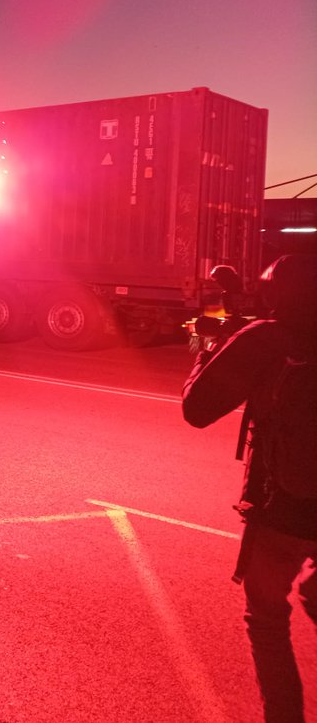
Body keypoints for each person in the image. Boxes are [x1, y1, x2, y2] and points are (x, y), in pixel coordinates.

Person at [182, 254, 317, 722]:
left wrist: (205, 344)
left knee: (266, 618)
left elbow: (196, 409)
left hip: (285, 509)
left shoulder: (267, 339)